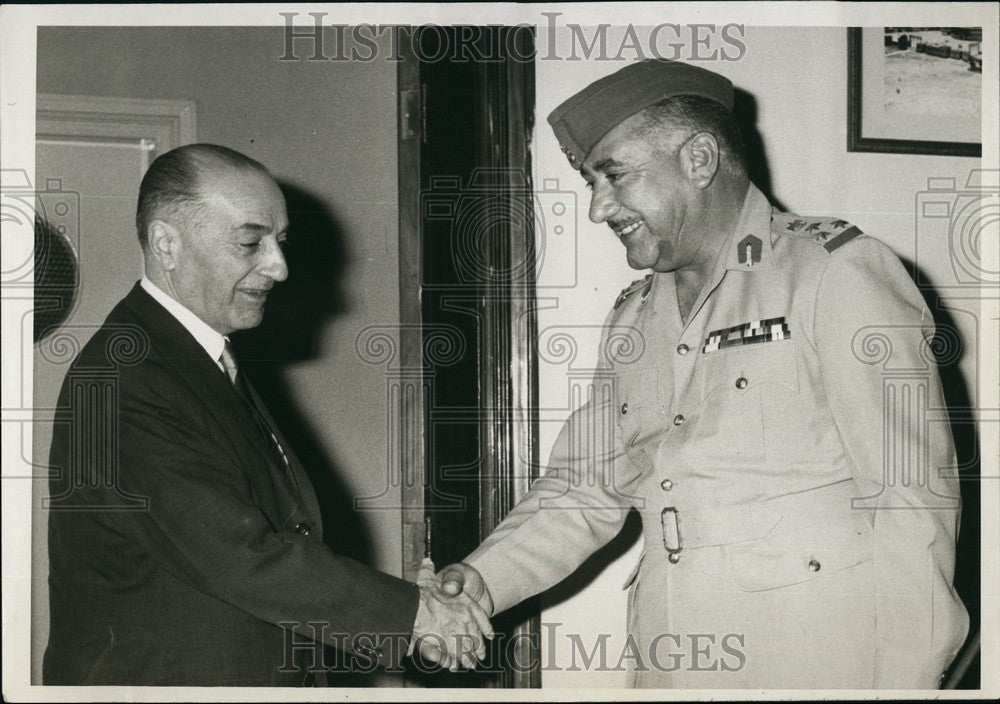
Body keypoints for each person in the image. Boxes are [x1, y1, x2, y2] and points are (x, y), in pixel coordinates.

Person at [439, 59, 969, 688]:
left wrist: (907, 681)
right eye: (590, 183)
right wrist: (482, 579)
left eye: (615, 175)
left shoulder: (833, 273)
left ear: (698, 159)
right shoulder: (633, 319)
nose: (598, 208)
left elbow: (911, 501)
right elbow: (583, 488)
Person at [43, 144, 491, 686]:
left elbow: (271, 537)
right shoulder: (126, 377)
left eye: (280, 241)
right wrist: (415, 616)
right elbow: (241, 555)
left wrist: (411, 607)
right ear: (167, 245)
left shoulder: (192, 358)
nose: (279, 267)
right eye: (250, 242)